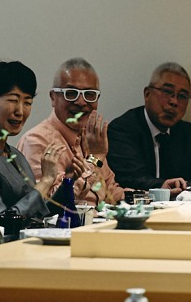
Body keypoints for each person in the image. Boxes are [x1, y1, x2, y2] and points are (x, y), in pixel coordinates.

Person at [0, 61, 67, 220]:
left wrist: (71, 185)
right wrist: (45, 181)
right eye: (13, 100)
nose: (20, 111)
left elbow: (38, 212)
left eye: (27, 102)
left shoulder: (14, 154)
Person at [107, 62, 191, 195]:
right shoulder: (122, 129)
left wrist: (189, 186)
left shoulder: (187, 133)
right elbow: (132, 179)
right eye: (167, 92)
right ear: (147, 94)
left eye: (182, 96)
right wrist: (187, 187)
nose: (174, 102)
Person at [18, 58, 124, 207]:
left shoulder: (90, 139)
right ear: (53, 98)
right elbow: (53, 206)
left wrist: (151, 196)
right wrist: (94, 159)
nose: (81, 102)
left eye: (90, 95)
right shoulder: (37, 141)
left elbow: (109, 190)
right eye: (71, 93)